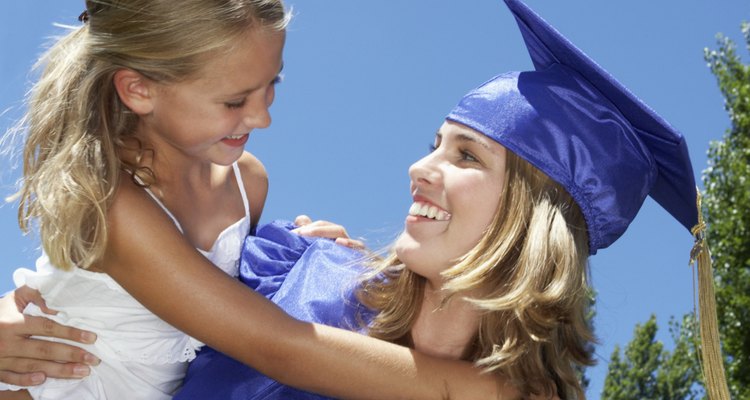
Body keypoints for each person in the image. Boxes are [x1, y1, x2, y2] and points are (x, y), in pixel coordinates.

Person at [174, 0, 732, 399]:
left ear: (534, 218)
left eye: (467, 156)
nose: (419, 168)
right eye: (433, 145)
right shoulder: (295, 268)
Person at [0, 1, 530, 399]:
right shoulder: (115, 202)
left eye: (270, 85)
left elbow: (226, 298)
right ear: (139, 90)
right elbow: (275, 344)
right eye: (234, 100)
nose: (261, 118)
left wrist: (319, 258)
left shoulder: (245, 180)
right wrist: (487, 392)